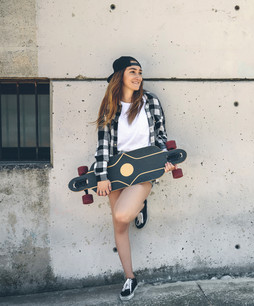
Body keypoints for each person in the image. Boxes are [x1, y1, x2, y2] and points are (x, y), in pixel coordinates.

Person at [94, 56, 176, 301]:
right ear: (121, 76)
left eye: (140, 72)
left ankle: (140, 204)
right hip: (116, 170)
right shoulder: (110, 106)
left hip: (144, 169)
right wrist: (100, 176)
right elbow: (103, 146)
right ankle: (130, 278)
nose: (138, 76)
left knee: (122, 214)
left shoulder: (150, 101)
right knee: (119, 226)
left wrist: (165, 159)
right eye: (133, 71)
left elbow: (161, 135)